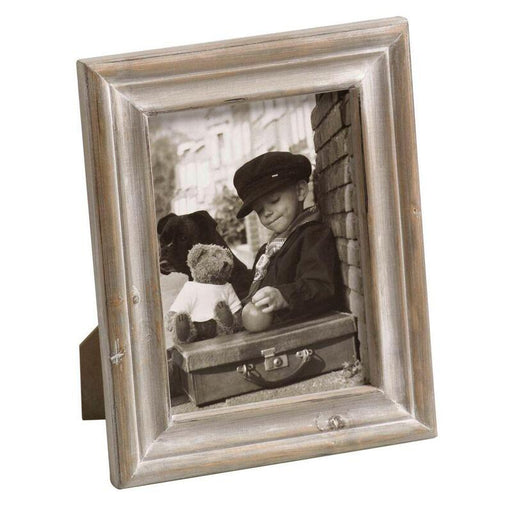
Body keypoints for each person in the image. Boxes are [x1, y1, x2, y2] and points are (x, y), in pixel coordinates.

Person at [233, 151, 343, 324]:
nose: (267, 213)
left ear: (300, 191)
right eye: (259, 210)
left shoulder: (312, 236)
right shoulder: (266, 251)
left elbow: (321, 286)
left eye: (274, 200)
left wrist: (283, 296)